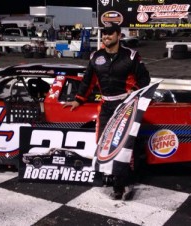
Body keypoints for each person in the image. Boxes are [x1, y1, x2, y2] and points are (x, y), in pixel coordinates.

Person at [63, 22, 150, 200]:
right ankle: (111, 177)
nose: (106, 37)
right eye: (104, 34)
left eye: (110, 34)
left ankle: (121, 183)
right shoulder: (96, 57)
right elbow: (87, 81)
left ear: (119, 36)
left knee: (123, 146)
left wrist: (134, 90)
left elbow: (145, 79)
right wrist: (78, 100)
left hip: (125, 107)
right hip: (105, 106)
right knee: (104, 144)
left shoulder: (131, 56)